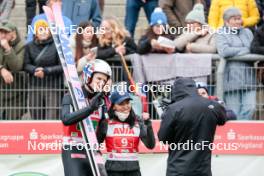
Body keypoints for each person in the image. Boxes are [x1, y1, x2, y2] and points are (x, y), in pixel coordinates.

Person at [158, 77, 226, 176]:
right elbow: (222, 120)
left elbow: (163, 138)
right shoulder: (213, 106)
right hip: (203, 170)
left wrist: (166, 114)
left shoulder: (173, 109)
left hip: (178, 170)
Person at [61, 59, 112, 176]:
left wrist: (106, 109)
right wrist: (89, 109)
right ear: (88, 77)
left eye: (104, 80)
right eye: (99, 78)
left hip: (92, 148)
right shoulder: (71, 96)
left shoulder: (102, 102)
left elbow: (101, 134)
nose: (101, 82)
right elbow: (66, 119)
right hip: (73, 146)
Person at [97, 87, 155, 176]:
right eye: (121, 103)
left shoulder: (138, 121)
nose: (125, 106)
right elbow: (95, 147)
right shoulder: (106, 122)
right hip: (112, 171)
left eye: (127, 102)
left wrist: (148, 123)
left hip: (134, 171)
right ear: (113, 106)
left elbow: (150, 145)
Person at [216, 7, 256, 120]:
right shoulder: (221, 33)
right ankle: (237, 135)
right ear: (226, 21)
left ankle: (242, 133)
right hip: (231, 78)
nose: (238, 21)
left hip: (249, 77)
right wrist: (246, 50)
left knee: (250, 108)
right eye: (235, 19)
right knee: (234, 112)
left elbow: (254, 48)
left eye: (239, 18)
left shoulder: (247, 32)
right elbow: (224, 51)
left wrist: (242, 50)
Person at [24, 19, 63, 120]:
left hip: (53, 87)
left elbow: (61, 66)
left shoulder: (57, 45)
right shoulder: (29, 46)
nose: (44, 31)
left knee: (52, 117)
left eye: (46, 29)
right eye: (40, 29)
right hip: (35, 86)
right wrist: (35, 70)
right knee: (36, 116)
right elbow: (26, 64)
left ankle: (51, 136)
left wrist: (45, 71)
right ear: (36, 33)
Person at [0, 22, 26, 120]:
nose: (2, 35)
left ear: (13, 33)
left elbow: (16, 67)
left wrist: (7, 49)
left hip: (15, 94)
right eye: (0, 32)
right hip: (1, 92)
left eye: (5, 32)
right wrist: (1, 69)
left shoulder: (21, 46)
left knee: (12, 127)